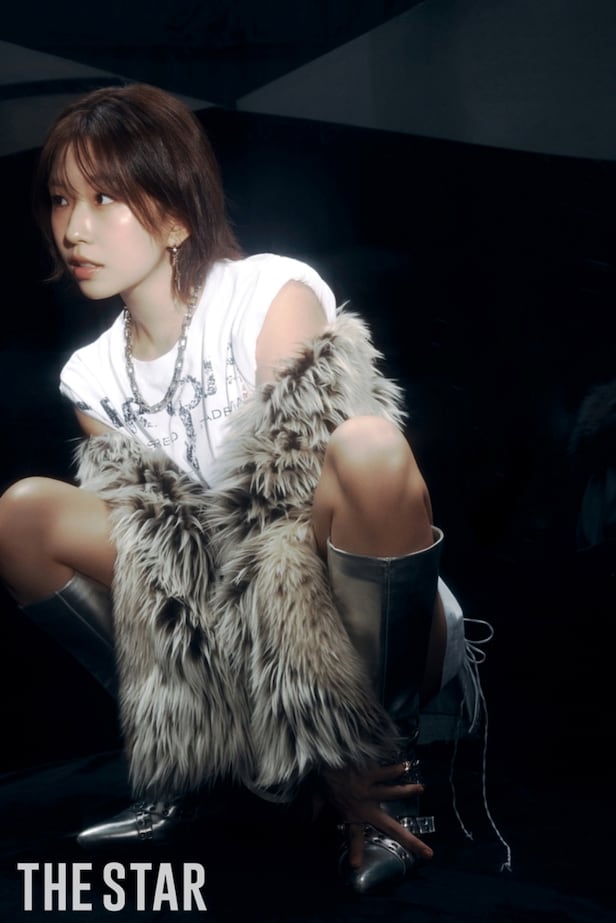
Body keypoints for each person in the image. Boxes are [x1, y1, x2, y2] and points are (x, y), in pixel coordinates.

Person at [0, 83, 478, 894]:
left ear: (176, 217)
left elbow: (285, 540)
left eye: (105, 197)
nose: (73, 227)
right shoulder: (91, 377)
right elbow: (170, 569)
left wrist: (332, 744)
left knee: (368, 448)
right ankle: (196, 761)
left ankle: (385, 763)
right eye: (60, 198)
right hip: (232, 652)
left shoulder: (269, 294)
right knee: (23, 515)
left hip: (358, 620)